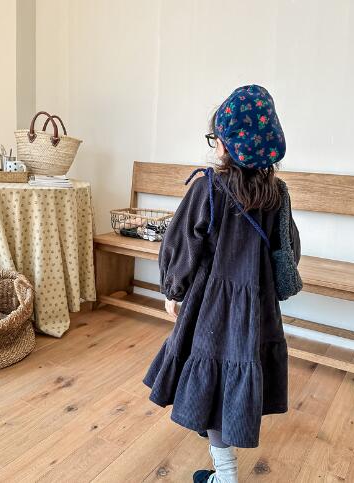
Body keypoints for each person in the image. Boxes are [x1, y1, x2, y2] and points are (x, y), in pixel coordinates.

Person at [143, 85, 301, 483]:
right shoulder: (277, 194)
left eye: (216, 137)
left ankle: (226, 476)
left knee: (212, 380)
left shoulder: (209, 188)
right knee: (233, 379)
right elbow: (289, 249)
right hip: (258, 309)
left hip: (210, 306)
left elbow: (182, 244)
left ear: (227, 145)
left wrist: (173, 290)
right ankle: (223, 466)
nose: (214, 145)